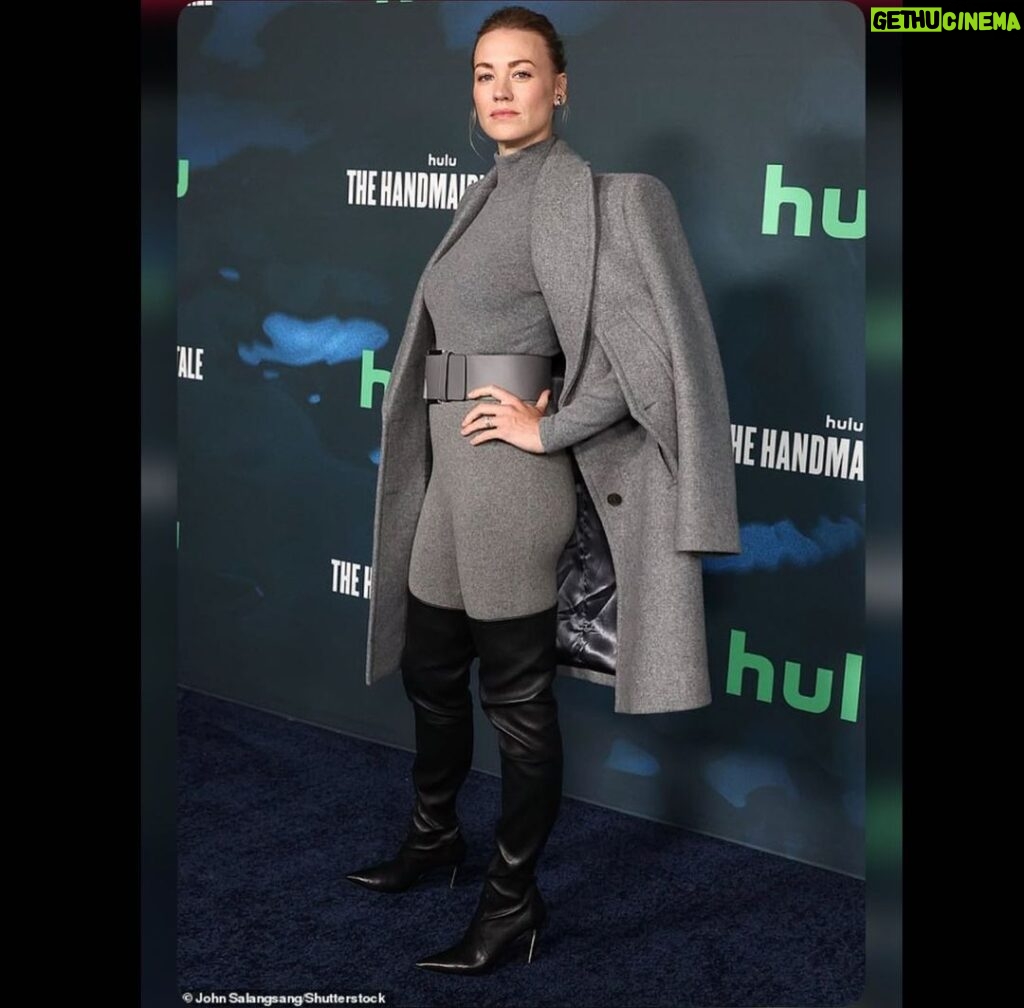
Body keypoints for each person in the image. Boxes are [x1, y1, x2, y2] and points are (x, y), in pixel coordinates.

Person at [349, 3, 740, 976]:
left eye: (522, 72)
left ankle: (511, 905)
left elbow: (636, 359)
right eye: (485, 74)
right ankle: (435, 839)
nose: (501, 90)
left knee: (515, 702)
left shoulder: (595, 198)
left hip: (513, 487)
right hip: (450, 475)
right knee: (430, 669)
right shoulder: (486, 191)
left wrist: (550, 424)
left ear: (559, 87)